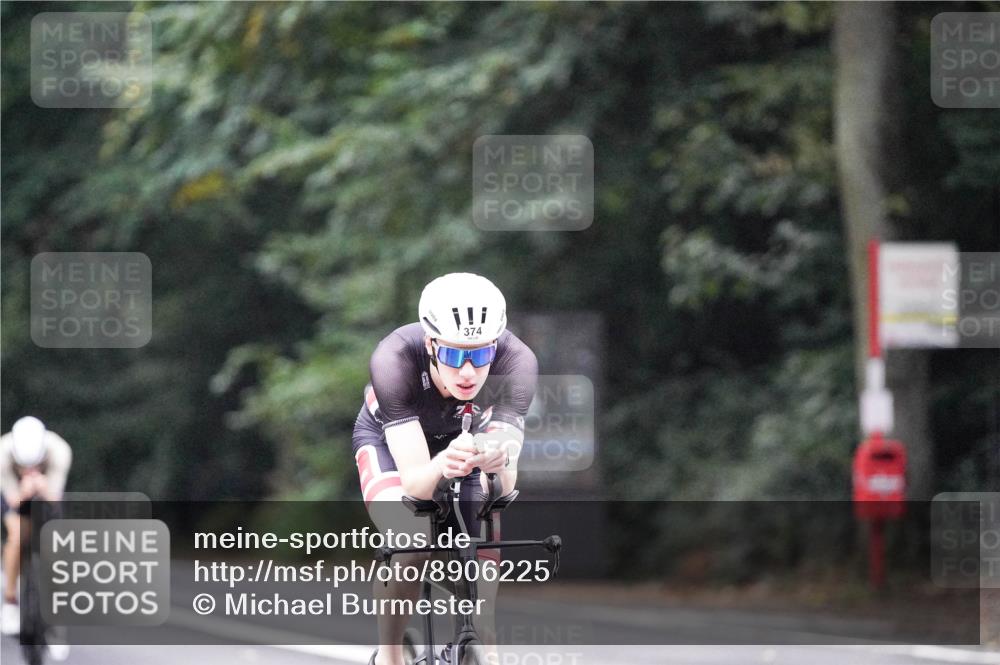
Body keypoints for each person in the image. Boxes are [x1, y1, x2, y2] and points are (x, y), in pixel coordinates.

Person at [353, 273, 537, 665]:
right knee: (411, 540)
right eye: (454, 355)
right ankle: (390, 655)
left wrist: (497, 459)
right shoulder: (393, 358)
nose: (468, 372)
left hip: (467, 438)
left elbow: (506, 485)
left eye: (481, 355)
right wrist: (441, 464)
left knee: (483, 564)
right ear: (430, 344)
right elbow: (417, 485)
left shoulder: (517, 360)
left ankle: (482, 646)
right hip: (391, 444)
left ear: (496, 347)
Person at [0, 416, 72, 638]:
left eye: (35, 464)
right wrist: (25, 490)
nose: (29, 469)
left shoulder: (59, 451)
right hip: (15, 493)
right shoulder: (2, 454)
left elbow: (54, 498)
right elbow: (13, 501)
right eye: (24, 466)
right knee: (17, 535)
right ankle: (10, 600)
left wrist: (41, 486)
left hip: (47, 489)